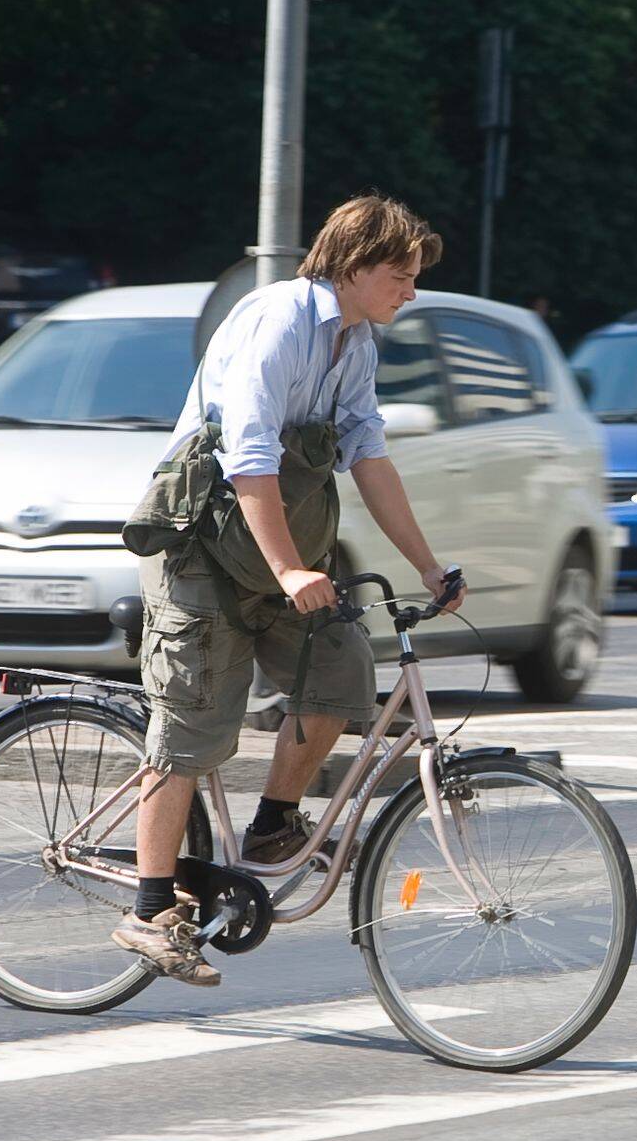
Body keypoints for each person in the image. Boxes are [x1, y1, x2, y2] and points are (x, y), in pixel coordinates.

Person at [111, 195, 467, 985]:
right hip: (199, 552)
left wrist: (427, 566)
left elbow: (369, 456)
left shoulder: (356, 342)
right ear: (353, 265)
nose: (410, 290)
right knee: (196, 723)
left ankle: (273, 823)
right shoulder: (280, 320)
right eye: (400, 275)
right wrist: (291, 571)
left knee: (339, 678)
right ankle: (147, 911)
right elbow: (248, 458)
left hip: (278, 555)